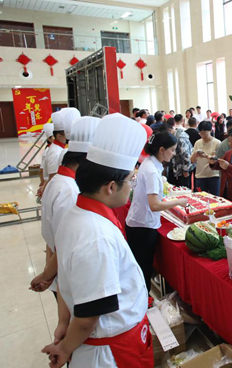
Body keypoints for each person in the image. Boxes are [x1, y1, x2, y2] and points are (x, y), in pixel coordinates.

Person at [42, 114, 153, 367]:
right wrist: (66, 347)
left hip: (113, 342)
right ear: (111, 187)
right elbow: (88, 317)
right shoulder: (96, 236)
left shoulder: (77, 213)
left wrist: (63, 323)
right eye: (130, 180)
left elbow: (66, 280)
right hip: (110, 354)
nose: (132, 187)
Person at [31, 117, 101, 295]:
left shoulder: (60, 182)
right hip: (66, 273)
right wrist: (48, 274)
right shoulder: (69, 190)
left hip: (59, 268)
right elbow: (63, 241)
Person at [127, 131, 188, 291]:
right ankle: (143, 304)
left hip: (139, 222)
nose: (174, 154)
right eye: (172, 150)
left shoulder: (149, 164)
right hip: (143, 227)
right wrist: (178, 201)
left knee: (142, 268)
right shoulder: (152, 171)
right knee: (143, 269)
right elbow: (154, 205)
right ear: (162, 150)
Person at [208, 128, 232, 213]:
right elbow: (220, 165)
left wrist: (229, 167)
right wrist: (213, 163)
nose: (230, 144)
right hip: (225, 190)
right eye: (229, 141)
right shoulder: (229, 153)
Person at [191, 121, 221, 195]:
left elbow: (216, 160)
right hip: (200, 175)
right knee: (200, 198)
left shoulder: (217, 143)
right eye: (201, 133)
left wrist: (206, 156)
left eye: (205, 133)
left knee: (215, 199)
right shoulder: (198, 143)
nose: (203, 136)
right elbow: (192, 161)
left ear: (211, 130)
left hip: (213, 175)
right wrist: (195, 154)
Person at [168, 114, 193, 188]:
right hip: (176, 167)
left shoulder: (181, 137)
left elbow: (186, 155)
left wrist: (185, 170)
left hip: (182, 170)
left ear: (169, 130)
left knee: (183, 189)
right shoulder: (174, 136)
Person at [38, 122, 55, 192]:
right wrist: (42, 183)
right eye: (54, 136)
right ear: (49, 139)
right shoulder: (48, 151)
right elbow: (41, 170)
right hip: (48, 181)